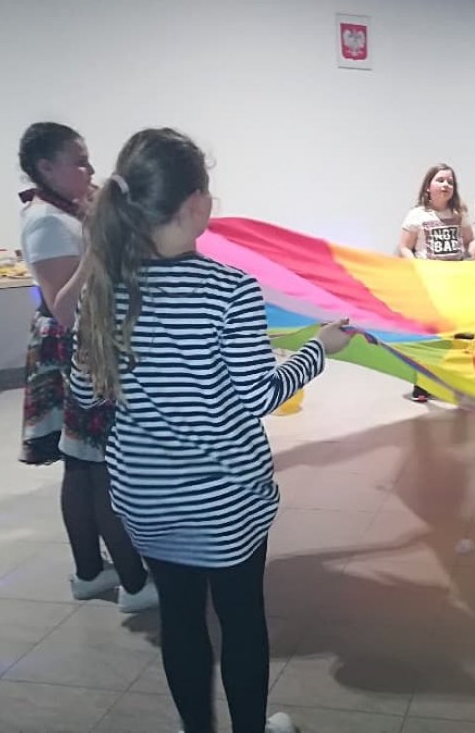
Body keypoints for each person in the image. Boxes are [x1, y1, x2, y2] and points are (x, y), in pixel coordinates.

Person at [70, 127, 353, 733]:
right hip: (225, 499)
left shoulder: (102, 288)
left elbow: (86, 394)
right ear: (197, 203)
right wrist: (318, 348)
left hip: (145, 497)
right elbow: (260, 396)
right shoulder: (230, 289)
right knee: (241, 618)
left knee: (180, 618)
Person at [17, 122, 155, 613]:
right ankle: (135, 585)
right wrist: (99, 244)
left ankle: (91, 573)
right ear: (45, 168)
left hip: (83, 344)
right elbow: (61, 307)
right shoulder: (45, 222)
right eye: (78, 161)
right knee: (97, 466)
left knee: (81, 466)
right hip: (75, 349)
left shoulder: (65, 212)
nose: (89, 169)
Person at [398, 163, 474, 402]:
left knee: (461, 334)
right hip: (429, 285)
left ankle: (462, 383)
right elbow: (404, 246)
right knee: (429, 336)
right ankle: (423, 384)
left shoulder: (459, 213)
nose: (446, 185)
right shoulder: (417, 215)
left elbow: (469, 242)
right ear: (428, 186)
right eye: (440, 180)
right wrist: (415, 266)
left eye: (450, 181)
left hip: (457, 284)